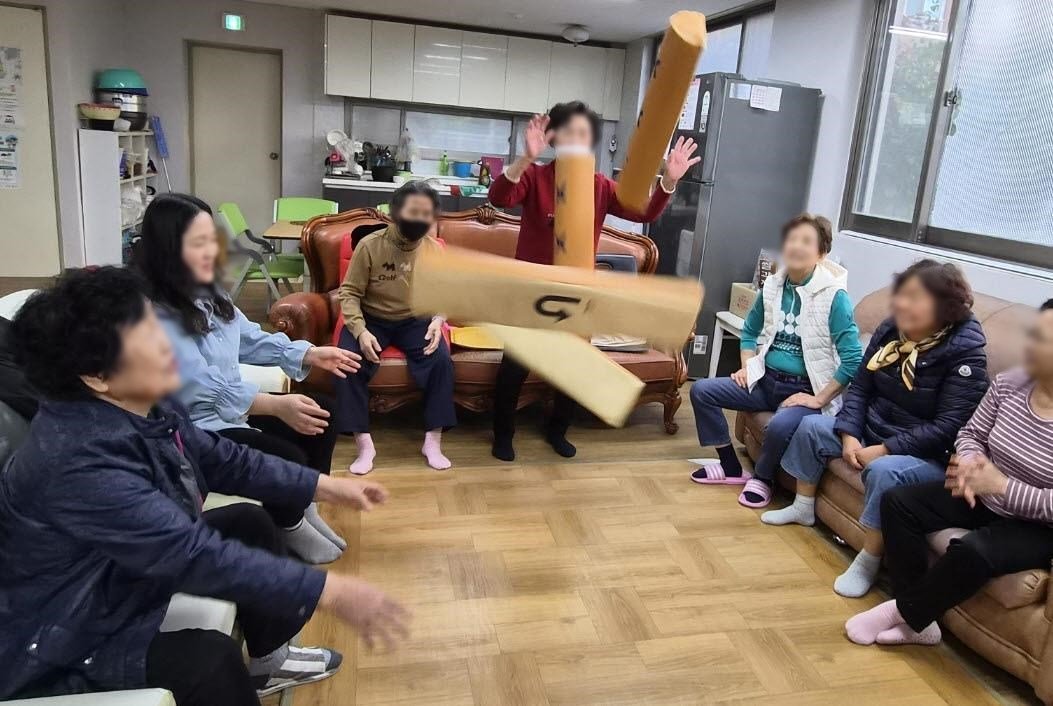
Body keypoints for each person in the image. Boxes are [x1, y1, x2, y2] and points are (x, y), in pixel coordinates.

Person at [0, 267, 408, 705]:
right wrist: (329, 590)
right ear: (96, 375)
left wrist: (321, 486)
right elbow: (188, 553)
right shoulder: (77, 463)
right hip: (58, 638)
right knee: (208, 662)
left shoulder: (143, 404)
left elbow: (221, 456)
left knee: (247, 523)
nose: (168, 342)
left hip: (114, 575)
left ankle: (270, 661)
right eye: (147, 334)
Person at [135, 193, 360, 565]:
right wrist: (272, 405)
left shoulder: (209, 291)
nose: (212, 251)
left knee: (322, 415)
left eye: (212, 239)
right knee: (285, 455)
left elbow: (249, 338)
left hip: (231, 413)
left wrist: (309, 353)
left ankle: (304, 506)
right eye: (198, 243)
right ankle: (288, 524)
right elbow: (197, 381)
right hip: (194, 430)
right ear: (169, 249)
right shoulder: (152, 311)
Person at [487, 100, 699, 462]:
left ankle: (557, 431)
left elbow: (643, 211)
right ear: (554, 138)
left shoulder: (600, 186)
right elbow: (499, 197)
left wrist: (668, 180)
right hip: (532, 290)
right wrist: (526, 158)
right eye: (569, 132)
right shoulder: (536, 177)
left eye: (583, 134)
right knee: (515, 366)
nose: (576, 139)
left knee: (573, 367)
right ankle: (503, 434)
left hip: (576, 293)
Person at [766, 259, 988, 598]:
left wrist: (885, 450)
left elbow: (949, 427)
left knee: (885, 472)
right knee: (812, 426)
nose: (901, 304)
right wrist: (850, 434)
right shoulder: (890, 330)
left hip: (926, 454)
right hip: (873, 429)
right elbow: (861, 386)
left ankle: (868, 560)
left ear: (944, 308)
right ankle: (803, 507)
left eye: (914, 298)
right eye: (901, 295)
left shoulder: (966, 356)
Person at [845, 299, 1053, 647]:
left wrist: (1002, 486)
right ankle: (920, 624)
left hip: (1038, 526)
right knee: (899, 503)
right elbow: (971, 433)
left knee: (974, 551)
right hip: (982, 493)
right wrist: (970, 461)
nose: (1031, 345)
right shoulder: (1010, 383)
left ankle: (902, 612)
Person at [689, 214, 863, 509]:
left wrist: (818, 399)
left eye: (806, 241)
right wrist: (747, 367)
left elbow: (853, 359)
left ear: (821, 253)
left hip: (803, 390)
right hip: (765, 380)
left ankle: (763, 478)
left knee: (779, 426)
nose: (796, 246)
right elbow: (749, 330)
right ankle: (730, 466)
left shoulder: (835, 297)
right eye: (792, 239)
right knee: (701, 391)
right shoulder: (772, 285)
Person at [336, 180, 456, 475]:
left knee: (441, 360)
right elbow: (349, 293)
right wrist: (360, 331)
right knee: (347, 362)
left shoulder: (434, 250)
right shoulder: (370, 245)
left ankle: (433, 441)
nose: (420, 219)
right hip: (371, 318)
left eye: (426, 213)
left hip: (414, 320)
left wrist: (438, 320)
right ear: (396, 212)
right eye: (413, 211)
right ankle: (364, 445)